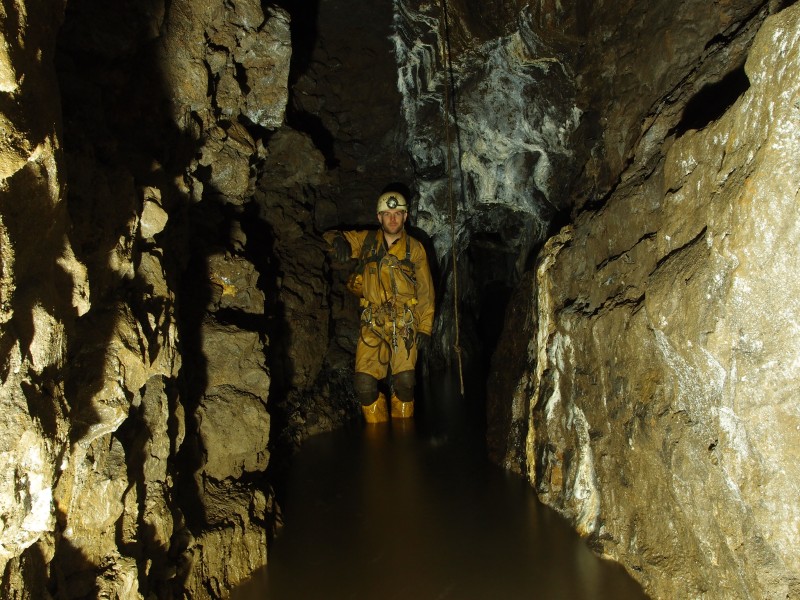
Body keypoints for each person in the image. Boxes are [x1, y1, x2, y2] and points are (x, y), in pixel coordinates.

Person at [324, 190, 435, 423]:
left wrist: (425, 327)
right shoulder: (366, 241)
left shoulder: (414, 249)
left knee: (405, 382)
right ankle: (378, 438)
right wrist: (336, 240)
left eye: (397, 214)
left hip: (405, 322)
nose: (392, 219)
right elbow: (328, 236)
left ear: (405, 217)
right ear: (379, 217)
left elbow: (426, 291)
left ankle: (404, 437)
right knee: (364, 385)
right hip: (373, 322)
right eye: (387, 214)